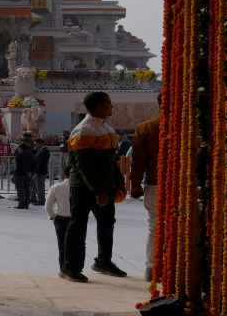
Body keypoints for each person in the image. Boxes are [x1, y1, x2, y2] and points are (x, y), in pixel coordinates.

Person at [62, 91, 127, 282]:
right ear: (99, 106)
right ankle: (70, 267)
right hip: (83, 187)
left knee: (107, 224)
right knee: (78, 225)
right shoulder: (84, 130)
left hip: (105, 185)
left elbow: (111, 161)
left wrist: (120, 182)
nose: (112, 106)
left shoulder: (106, 128)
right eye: (109, 103)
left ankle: (103, 261)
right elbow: (83, 167)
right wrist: (98, 191)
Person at [130, 96, 161, 282]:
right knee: (182, 225)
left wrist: (135, 184)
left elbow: (139, 161)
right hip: (185, 186)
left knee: (155, 226)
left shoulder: (147, 127)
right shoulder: (190, 124)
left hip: (155, 183)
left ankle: (152, 267)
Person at [45, 165, 72, 272]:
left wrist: (53, 217)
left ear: (64, 174)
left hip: (61, 220)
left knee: (62, 247)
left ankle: (63, 269)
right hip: (75, 220)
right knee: (77, 246)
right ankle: (75, 269)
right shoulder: (80, 188)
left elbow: (48, 206)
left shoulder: (56, 187)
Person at [13, 143, 34, 209]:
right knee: (27, 189)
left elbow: (19, 166)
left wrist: (26, 172)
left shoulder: (18, 155)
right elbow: (34, 165)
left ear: (20, 148)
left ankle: (21, 204)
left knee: (20, 190)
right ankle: (26, 204)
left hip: (20, 174)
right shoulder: (31, 156)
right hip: (29, 175)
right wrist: (30, 172)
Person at [32, 137, 51, 206]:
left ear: (41, 144)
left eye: (36, 144)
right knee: (37, 186)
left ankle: (41, 200)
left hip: (40, 172)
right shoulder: (40, 150)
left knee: (40, 186)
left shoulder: (44, 151)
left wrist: (37, 172)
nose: (35, 146)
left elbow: (41, 163)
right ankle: (39, 198)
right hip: (38, 171)